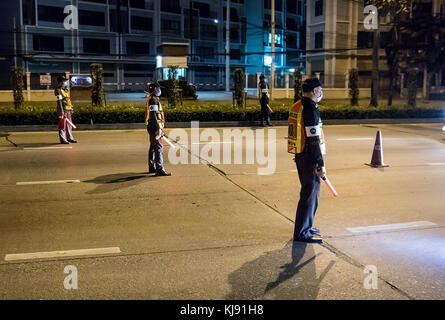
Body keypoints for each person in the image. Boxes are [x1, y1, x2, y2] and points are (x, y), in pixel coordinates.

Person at [288, 78, 327, 244]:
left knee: (311, 194)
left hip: (301, 154)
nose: (321, 92)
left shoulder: (298, 105)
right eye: (320, 89)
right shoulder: (310, 109)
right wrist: (320, 163)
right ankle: (302, 233)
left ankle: (307, 226)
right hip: (309, 156)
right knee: (309, 194)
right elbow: (313, 139)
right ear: (315, 90)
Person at [145, 82, 171, 176]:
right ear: (155, 89)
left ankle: (152, 167)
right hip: (154, 127)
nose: (160, 90)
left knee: (153, 147)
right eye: (158, 88)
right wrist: (158, 129)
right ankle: (159, 169)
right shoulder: (153, 99)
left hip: (151, 126)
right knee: (158, 148)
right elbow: (153, 115)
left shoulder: (151, 99)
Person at [55, 75, 77, 144]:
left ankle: (70, 138)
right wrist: (61, 111)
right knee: (62, 125)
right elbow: (59, 101)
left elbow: (68, 100)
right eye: (64, 81)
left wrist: (71, 108)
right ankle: (63, 139)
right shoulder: (58, 90)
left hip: (68, 109)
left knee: (69, 125)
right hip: (63, 109)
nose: (65, 82)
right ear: (60, 82)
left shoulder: (65, 90)